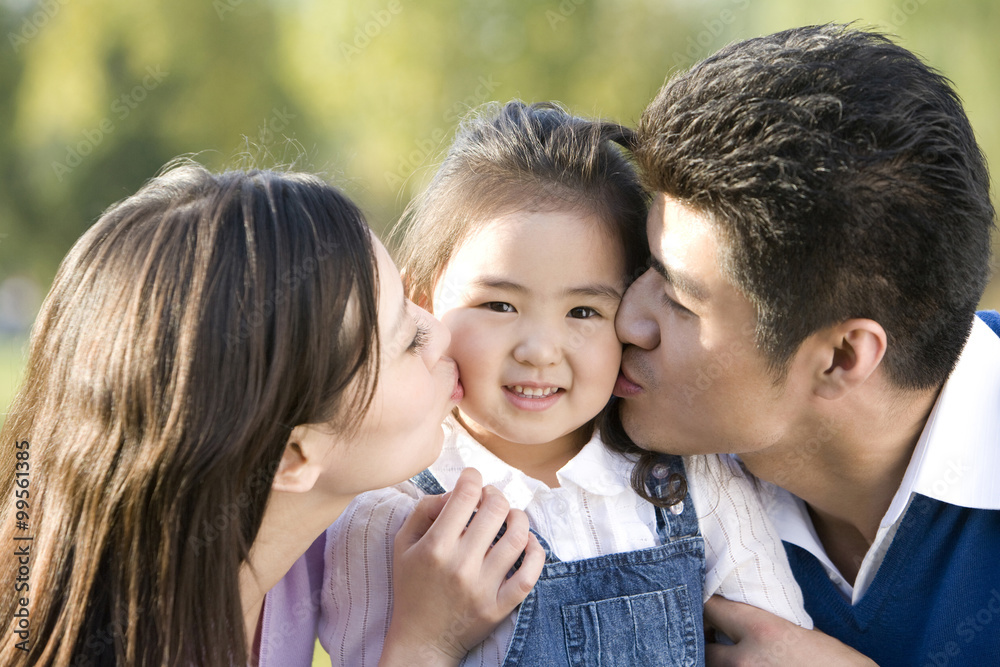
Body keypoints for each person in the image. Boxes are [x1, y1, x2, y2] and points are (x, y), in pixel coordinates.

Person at [314, 100, 811, 667]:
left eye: (583, 313)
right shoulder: (394, 514)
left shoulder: (688, 479)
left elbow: (777, 643)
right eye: (499, 304)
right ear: (423, 301)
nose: (539, 350)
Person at [0, 163, 544, 666]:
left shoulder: (289, 544)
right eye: (406, 340)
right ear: (293, 455)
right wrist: (426, 646)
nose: (441, 331)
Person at [613, 24, 1000, 666]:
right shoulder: (598, 444)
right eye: (642, 263)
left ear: (841, 358)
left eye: (679, 301)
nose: (626, 319)